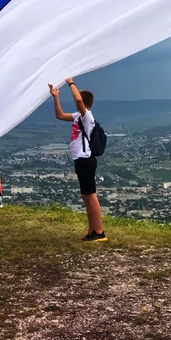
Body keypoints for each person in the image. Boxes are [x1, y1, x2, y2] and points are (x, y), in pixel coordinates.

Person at [48, 77, 107, 242]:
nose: (75, 102)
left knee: (91, 195)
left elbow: (78, 99)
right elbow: (59, 115)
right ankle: (92, 230)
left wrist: (70, 82)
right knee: (86, 196)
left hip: (86, 159)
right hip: (80, 160)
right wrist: (56, 96)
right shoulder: (77, 117)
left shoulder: (87, 117)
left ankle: (99, 232)